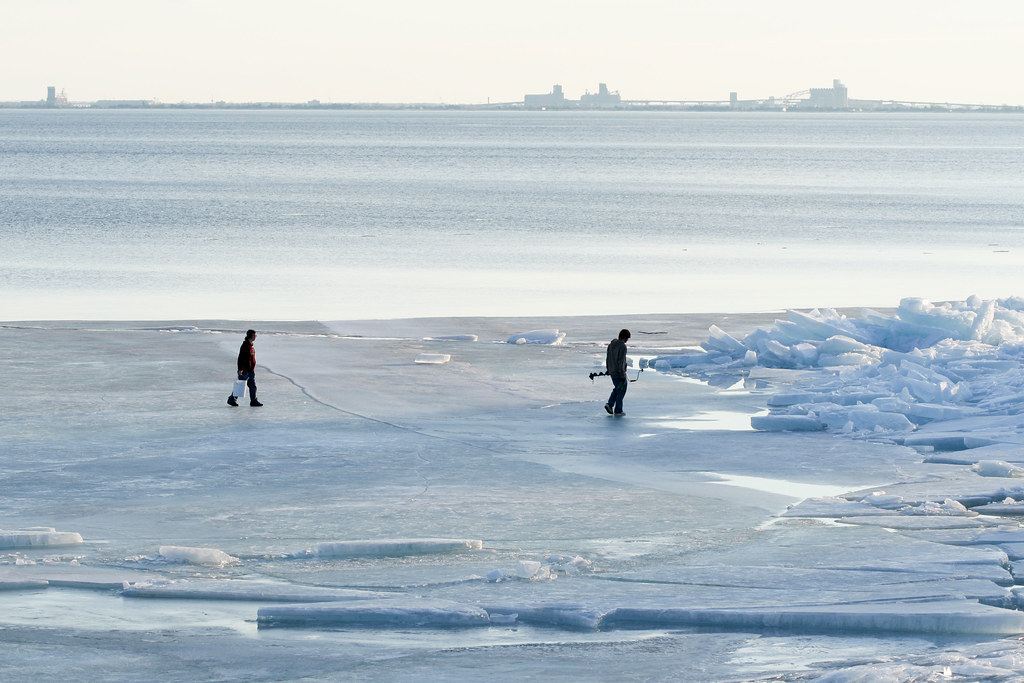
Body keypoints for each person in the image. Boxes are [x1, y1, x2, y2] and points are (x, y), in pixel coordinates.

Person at [228, 329, 263, 407]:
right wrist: (240, 369)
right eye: (255, 335)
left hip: (250, 370)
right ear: (251, 336)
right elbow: (241, 358)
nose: (256, 336)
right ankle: (232, 399)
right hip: (245, 370)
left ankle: (253, 401)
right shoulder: (245, 346)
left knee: (252, 386)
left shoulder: (251, 346)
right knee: (240, 385)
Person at [604, 329, 630, 415]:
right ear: (625, 338)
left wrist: (608, 369)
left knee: (617, 389)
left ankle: (610, 405)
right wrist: (622, 373)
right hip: (619, 372)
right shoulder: (622, 346)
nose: (627, 341)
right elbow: (621, 361)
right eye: (627, 339)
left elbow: (608, 358)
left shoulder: (611, 345)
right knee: (621, 390)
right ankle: (617, 409)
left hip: (612, 371)